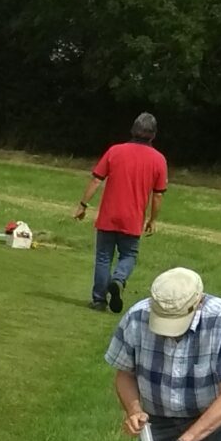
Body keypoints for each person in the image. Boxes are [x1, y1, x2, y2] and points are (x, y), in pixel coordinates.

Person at [105, 266, 221, 441]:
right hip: (160, 419)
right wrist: (134, 410)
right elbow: (124, 374)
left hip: (215, 418)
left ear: (198, 302)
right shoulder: (136, 317)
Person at [74, 112, 167, 311]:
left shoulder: (115, 151)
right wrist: (152, 219)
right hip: (133, 218)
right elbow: (158, 195)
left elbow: (96, 180)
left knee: (103, 257)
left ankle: (99, 300)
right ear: (153, 135)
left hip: (108, 215)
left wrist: (83, 205)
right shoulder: (159, 160)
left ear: (133, 130)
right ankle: (119, 279)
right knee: (129, 255)